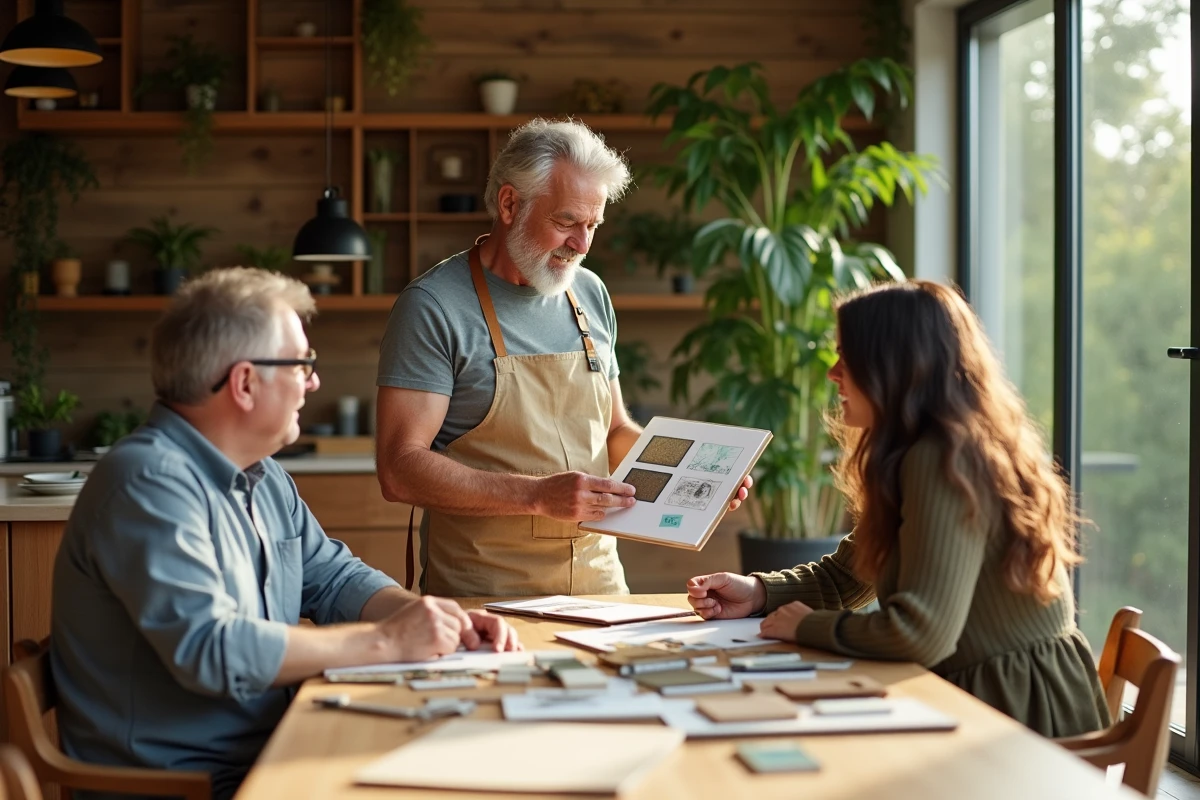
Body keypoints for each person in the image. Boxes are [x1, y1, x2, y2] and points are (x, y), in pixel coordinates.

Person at [50, 268, 520, 800]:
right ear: (245, 382)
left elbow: (332, 578)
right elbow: (213, 650)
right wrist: (387, 641)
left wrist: (427, 617)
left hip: (269, 749)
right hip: (191, 784)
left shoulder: (262, 472)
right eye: (302, 364)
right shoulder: (148, 484)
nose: (314, 381)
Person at [685, 279, 1110, 738]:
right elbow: (848, 578)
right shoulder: (926, 450)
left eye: (847, 358)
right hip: (988, 697)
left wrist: (810, 627)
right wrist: (759, 592)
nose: (832, 373)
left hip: (1019, 720)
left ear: (894, 366)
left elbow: (921, 634)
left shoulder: (942, 460)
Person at [375, 118, 751, 597]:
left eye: (592, 224)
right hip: (483, 596)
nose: (583, 245)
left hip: (600, 590)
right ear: (510, 204)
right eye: (566, 222)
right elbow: (400, 468)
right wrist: (536, 495)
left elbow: (615, 431)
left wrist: (698, 477)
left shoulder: (589, 292)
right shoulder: (434, 306)